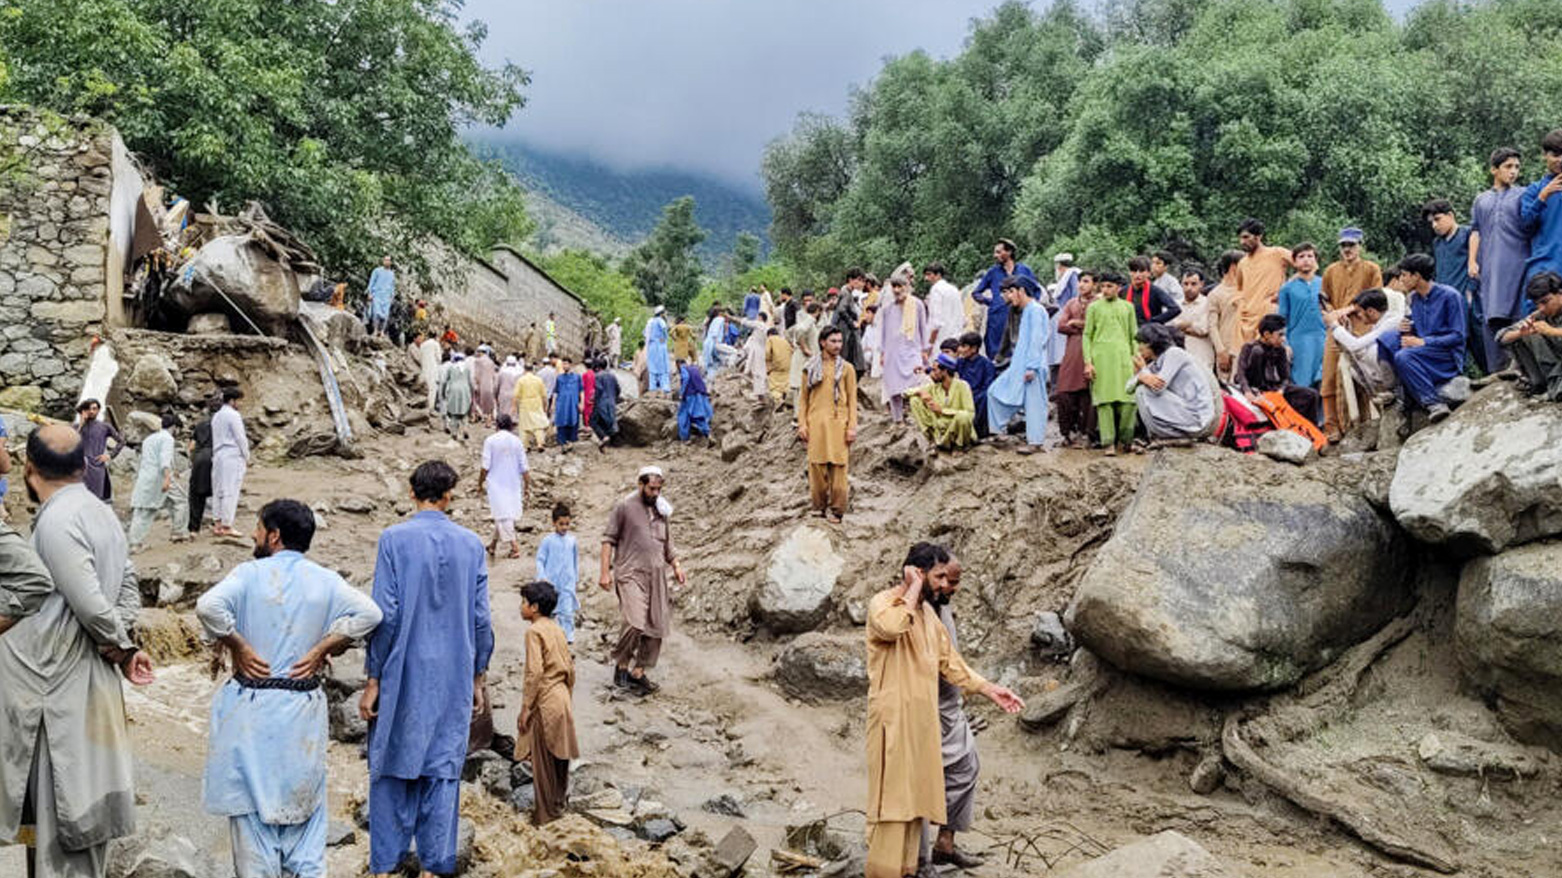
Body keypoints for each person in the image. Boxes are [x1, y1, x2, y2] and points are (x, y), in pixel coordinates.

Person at [197, 499, 382, 878]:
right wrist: (324, 646)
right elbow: (371, 614)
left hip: (253, 708)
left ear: (274, 536)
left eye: (258, 527)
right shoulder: (325, 579)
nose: (253, 533)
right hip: (302, 709)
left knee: (253, 820)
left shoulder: (249, 574)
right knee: (305, 824)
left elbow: (208, 606)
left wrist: (238, 644)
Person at [4, 424, 155, 878]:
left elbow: (87, 601)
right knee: (80, 821)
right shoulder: (101, 512)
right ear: (83, 465)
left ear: (29, 470)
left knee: (63, 824)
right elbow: (127, 587)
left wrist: (124, 649)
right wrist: (122, 637)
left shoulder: (55, 521)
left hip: (56, 693)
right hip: (87, 684)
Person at [361, 461, 493, 878]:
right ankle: (436, 867)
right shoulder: (471, 545)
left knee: (391, 763)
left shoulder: (393, 539)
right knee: (442, 769)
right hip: (454, 672)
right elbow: (481, 620)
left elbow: (386, 613)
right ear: (449, 494)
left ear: (411, 491)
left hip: (403, 669)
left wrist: (373, 679)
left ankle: (386, 867)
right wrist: (478, 677)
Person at [864, 543, 1022, 878]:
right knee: (893, 805)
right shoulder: (883, 604)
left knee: (915, 802)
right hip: (892, 725)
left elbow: (953, 665)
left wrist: (992, 690)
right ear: (916, 573)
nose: (943, 584)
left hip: (922, 726)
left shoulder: (928, 617)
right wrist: (914, 588)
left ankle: (911, 869)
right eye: (937, 577)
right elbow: (892, 628)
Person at [917, 555, 986, 872]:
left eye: (954, 581)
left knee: (967, 767)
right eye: (944, 579)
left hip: (950, 703)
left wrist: (963, 688)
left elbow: (950, 656)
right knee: (920, 783)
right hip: (923, 707)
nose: (950, 587)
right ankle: (918, 860)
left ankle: (945, 844)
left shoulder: (940, 604)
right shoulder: (913, 608)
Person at [599, 466, 686, 695]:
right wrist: (604, 572)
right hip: (630, 573)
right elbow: (608, 539)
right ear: (640, 485)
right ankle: (621, 664)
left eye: (659, 489)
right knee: (635, 621)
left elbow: (668, 545)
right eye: (651, 488)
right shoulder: (625, 507)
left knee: (656, 626)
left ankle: (638, 672)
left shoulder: (661, 510)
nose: (655, 493)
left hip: (656, 576)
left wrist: (676, 565)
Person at [517, 581, 579, 826]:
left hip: (545, 700)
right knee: (559, 759)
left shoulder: (533, 632)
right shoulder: (557, 628)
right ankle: (559, 808)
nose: (521, 607)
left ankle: (545, 819)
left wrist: (526, 708)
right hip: (562, 696)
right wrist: (567, 697)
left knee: (542, 763)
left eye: (523, 602)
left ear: (534, 607)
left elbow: (534, 673)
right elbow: (570, 668)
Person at [1381, 253, 1467, 423]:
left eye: (1404, 275)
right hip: (1424, 353)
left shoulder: (1450, 296)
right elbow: (1418, 329)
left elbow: (1458, 336)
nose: (1401, 279)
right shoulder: (1414, 299)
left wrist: (1423, 342)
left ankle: (1433, 403)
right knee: (1388, 339)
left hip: (1445, 356)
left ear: (1417, 276)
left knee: (1403, 356)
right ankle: (1401, 394)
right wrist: (1406, 328)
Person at [1320, 228, 1385, 438]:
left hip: (1362, 327)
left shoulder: (1371, 269)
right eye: (1344, 246)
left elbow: (1376, 297)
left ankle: (1365, 424)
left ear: (1359, 246)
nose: (1347, 249)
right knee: (1329, 377)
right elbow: (1324, 299)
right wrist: (1333, 313)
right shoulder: (1330, 271)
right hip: (1336, 328)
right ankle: (1332, 427)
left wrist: (1349, 309)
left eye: (1352, 245)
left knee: (1363, 376)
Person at [1471, 147, 1530, 371]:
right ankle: (1496, 369)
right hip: (1489, 266)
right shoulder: (1481, 200)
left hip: (1518, 262)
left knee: (1518, 311)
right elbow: (1475, 231)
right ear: (1494, 170)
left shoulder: (1524, 194)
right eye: (1508, 167)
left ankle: (1522, 365)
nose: (1513, 171)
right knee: (1490, 314)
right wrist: (1472, 261)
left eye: (1516, 167)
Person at [798, 326, 859, 523]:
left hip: (839, 423)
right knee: (816, 467)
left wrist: (852, 427)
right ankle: (818, 507)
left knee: (839, 468)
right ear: (823, 342)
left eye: (840, 341)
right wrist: (802, 424)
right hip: (815, 423)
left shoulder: (847, 369)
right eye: (833, 341)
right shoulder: (810, 368)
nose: (837, 345)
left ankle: (837, 510)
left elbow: (852, 400)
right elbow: (803, 400)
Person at [985, 277, 1052, 452]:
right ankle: (999, 431)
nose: (1008, 296)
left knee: (1035, 403)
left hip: (1032, 365)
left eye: (1011, 292)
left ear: (1021, 291)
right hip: (1019, 364)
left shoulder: (1036, 311)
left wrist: (1032, 366)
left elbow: (1037, 341)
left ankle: (1035, 442)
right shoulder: (1024, 311)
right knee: (995, 392)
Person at [1082, 272, 1139, 456]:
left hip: (1124, 359)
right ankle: (1108, 444)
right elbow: (1087, 335)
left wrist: (1136, 358)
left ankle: (1126, 441)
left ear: (1118, 288)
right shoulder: (1093, 308)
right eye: (1103, 286)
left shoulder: (1128, 307)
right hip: (1101, 359)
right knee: (1104, 403)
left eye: (1109, 286)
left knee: (1128, 401)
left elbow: (1134, 336)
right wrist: (1088, 362)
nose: (1105, 290)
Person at [1236, 314, 1325, 427]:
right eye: (1280, 335)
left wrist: (1281, 390)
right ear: (1267, 335)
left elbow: (1286, 377)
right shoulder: (1248, 347)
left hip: (1274, 388)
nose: (1283, 339)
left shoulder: (1280, 350)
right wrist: (1247, 391)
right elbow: (1241, 373)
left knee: (1311, 395)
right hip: (1254, 388)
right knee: (1258, 351)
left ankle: (1310, 430)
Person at [1132, 323, 1216, 441]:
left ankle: (1164, 435)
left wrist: (1143, 372)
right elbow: (1128, 388)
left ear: (1152, 343)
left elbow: (1158, 388)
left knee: (1143, 391)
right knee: (1140, 390)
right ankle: (1160, 435)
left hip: (1197, 417)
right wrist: (1141, 376)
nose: (1139, 348)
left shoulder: (1174, 353)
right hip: (1185, 413)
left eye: (1142, 343)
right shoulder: (1156, 363)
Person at [128, 411, 190, 551]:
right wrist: (168, 478)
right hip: (160, 478)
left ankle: (135, 542)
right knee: (177, 502)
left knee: (144, 508)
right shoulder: (167, 439)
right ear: (175, 427)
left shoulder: (150, 438)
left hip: (146, 476)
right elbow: (164, 460)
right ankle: (177, 533)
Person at [1324, 287, 1401, 400]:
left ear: (1371, 311)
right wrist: (1346, 329)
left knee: (1371, 351)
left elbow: (1355, 346)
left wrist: (1335, 326)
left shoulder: (1390, 323)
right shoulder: (1381, 322)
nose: (1358, 316)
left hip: (1395, 372)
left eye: (1359, 312)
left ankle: (1390, 390)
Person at [971, 239, 1040, 358]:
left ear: (1009, 252)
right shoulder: (993, 272)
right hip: (998, 318)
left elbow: (1036, 290)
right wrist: (992, 302)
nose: (995, 256)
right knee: (996, 352)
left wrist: (1028, 305)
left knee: (1020, 348)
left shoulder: (1024, 271)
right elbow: (976, 292)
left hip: (1020, 317)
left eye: (998, 252)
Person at [1499, 271, 1562, 400]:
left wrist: (1552, 331)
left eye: (1545, 302)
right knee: (1521, 337)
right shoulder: (1540, 315)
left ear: (1560, 294)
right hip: (1553, 369)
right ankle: (1542, 385)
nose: (1542, 308)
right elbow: (1502, 337)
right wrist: (1521, 332)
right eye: (1538, 304)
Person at [1053, 270, 1098, 447]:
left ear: (1095, 284)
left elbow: (1099, 326)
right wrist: (1081, 327)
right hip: (1071, 351)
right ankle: (1067, 433)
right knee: (1064, 391)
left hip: (1092, 351)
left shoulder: (1099, 303)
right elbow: (1061, 326)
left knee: (1087, 394)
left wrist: (1078, 324)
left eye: (1086, 281)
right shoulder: (1071, 303)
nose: (1081, 285)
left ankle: (1086, 434)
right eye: (1080, 281)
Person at [879, 276, 931, 424]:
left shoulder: (917, 305)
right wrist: (882, 352)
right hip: (892, 352)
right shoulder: (888, 308)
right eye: (894, 287)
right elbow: (883, 332)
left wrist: (924, 349)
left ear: (907, 286)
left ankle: (920, 419)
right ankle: (898, 420)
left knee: (917, 383)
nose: (897, 290)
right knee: (894, 386)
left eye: (900, 286)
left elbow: (923, 327)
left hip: (912, 350)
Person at [1234, 218, 1293, 343]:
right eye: (1240, 238)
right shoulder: (1242, 263)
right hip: (1246, 320)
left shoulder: (1277, 253)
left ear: (1258, 236)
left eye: (1246, 237)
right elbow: (1239, 290)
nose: (1242, 242)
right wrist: (1240, 306)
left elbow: (1304, 267)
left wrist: (1285, 289)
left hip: (1270, 316)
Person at [480, 415, 531, 560]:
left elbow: (485, 466)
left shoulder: (490, 441)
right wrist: (527, 485)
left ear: (497, 425)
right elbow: (524, 467)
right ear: (511, 426)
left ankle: (514, 547)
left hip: (496, 484)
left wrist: (480, 482)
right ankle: (493, 545)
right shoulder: (517, 441)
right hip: (513, 483)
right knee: (503, 513)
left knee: (503, 515)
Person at [1276, 243, 1325, 389]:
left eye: (1310, 256)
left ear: (1316, 260)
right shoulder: (1287, 288)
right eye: (1301, 256)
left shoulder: (1324, 284)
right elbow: (1282, 318)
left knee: (1324, 382)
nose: (1306, 260)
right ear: (1295, 261)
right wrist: (1285, 344)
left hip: (1323, 339)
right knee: (1302, 384)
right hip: (1298, 341)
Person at [909, 353, 977, 451]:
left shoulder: (963, 386)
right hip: (940, 428)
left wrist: (942, 411)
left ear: (944, 371)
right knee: (915, 400)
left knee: (964, 416)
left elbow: (970, 414)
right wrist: (921, 392)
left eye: (935, 370)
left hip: (956, 427)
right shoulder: (935, 387)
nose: (932, 373)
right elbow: (906, 393)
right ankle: (932, 440)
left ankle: (959, 446)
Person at [535, 502, 580, 642]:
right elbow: (540, 560)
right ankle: (549, 637)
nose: (564, 527)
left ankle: (567, 639)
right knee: (549, 611)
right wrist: (542, 577)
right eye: (561, 524)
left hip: (567, 583)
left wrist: (575, 579)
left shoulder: (572, 541)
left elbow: (575, 561)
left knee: (567, 612)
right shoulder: (547, 541)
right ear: (554, 523)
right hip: (551, 583)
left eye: (567, 524)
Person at [1522, 130, 1562, 285]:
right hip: (1544, 266)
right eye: (1555, 155)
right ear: (1545, 155)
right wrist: (1543, 197)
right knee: (1538, 308)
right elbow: (1526, 226)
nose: (1560, 160)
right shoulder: (1534, 190)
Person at [211, 387, 251, 537]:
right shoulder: (233, 415)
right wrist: (247, 456)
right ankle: (227, 525)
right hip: (231, 454)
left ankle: (218, 523)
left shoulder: (216, 416)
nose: (240, 404)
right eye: (239, 400)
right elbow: (240, 437)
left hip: (218, 454)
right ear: (232, 401)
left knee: (218, 489)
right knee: (230, 490)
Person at [1207, 249, 1245, 379]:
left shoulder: (1249, 290)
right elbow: (1212, 325)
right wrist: (1220, 351)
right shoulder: (1216, 294)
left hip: (1246, 348)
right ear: (1234, 267)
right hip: (1226, 349)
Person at [76, 398, 124, 501]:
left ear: (98, 410)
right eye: (89, 409)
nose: (92, 411)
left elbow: (121, 441)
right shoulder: (77, 427)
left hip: (97, 467)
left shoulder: (105, 426)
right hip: (80, 468)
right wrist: (81, 423)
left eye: (94, 409)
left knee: (96, 499)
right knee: (79, 498)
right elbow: (69, 441)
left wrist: (110, 455)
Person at [953, 332, 998, 442]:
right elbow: (945, 368)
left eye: (964, 346)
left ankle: (979, 433)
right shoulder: (961, 362)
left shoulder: (987, 364)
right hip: (964, 394)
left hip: (979, 395)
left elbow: (988, 386)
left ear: (974, 348)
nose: (961, 350)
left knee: (985, 398)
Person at [1170, 266, 1216, 372]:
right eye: (1185, 284)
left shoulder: (1208, 303)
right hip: (1180, 357)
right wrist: (1191, 324)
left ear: (1201, 284)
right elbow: (1171, 328)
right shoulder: (1175, 305)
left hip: (1202, 355)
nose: (1189, 288)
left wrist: (1181, 326)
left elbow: (1203, 329)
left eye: (1193, 284)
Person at [187, 395, 219, 533]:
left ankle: (194, 529)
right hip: (216, 457)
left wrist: (192, 461)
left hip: (200, 459)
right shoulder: (222, 424)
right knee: (219, 492)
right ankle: (218, 525)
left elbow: (191, 447)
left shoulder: (200, 425)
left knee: (196, 495)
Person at [1123, 255, 1182, 325]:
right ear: (1130, 272)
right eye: (1134, 271)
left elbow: (1175, 309)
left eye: (1141, 271)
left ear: (1148, 273)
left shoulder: (1155, 291)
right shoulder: (1123, 291)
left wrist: (1153, 321)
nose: (1137, 274)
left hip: (1150, 332)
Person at [924, 262, 965, 350]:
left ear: (938, 275)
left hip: (941, 340)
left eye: (929, 274)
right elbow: (962, 317)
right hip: (956, 338)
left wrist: (930, 344)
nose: (926, 278)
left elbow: (936, 321)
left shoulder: (936, 290)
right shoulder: (954, 289)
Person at [788, 301, 822, 408]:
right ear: (817, 312)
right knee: (800, 386)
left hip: (807, 358)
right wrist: (804, 348)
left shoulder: (805, 320)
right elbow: (800, 331)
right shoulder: (809, 320)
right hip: (803, 358)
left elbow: (788, 333)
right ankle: (798, 417)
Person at [834, 269, 868, 373]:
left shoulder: (848, 293)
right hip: (845, 331)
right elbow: (841, 310)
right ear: (851, 280)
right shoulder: (846, 293)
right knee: (850, 359)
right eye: (859, 280)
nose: (861, 283)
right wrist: (852, 323)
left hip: (847, 330)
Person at [513, 362, 551, 452]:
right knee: (538, 424)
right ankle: (540, 443)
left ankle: (525, 445)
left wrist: (514, 406)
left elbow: (515, 395)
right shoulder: (538, 380)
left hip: (525, 404)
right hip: (537, 404)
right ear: (533, 370)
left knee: (524, 425)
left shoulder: (521, 380)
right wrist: (545, 406)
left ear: (524, 370)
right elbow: (544, 395)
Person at [675, 360, 714, 444]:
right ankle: (707, 433)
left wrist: (681, 393)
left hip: (690, 395)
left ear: (678, 364)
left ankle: (686, 438)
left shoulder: (683, 369)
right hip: (700, 394)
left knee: (685, 416)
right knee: (698, 414)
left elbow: (686, 378)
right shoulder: (694, 369)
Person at [551, 356, 584, 450]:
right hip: (561, 405)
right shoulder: (559, 378)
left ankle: (570, 442)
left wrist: (582, 403)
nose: (564, 366)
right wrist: (553, 405)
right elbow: (556, 392)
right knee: (561, 422)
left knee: (573, 421)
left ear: (570, 365)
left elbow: (581, 391)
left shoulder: (577, 377)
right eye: (563, 364)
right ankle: (563, 443)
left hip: (573, 405)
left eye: (566, 364)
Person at [439, 350, 473, 438]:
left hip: (453, 390)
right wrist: (472, 393)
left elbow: (445, 381)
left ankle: (454, 432)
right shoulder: (467, 368)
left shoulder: (451, 368)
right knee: (464, 410)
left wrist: (443, 392)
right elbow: (470, 382)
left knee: (453, 412)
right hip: (465, 390)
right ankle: (465, 429)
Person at [590, 360, 621, 451]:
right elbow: (618, 389)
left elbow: (598, 390)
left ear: (597, 367)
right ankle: (611, 442)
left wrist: (593, 398)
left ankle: (604, 437)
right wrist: (614, 398)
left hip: (601, 403)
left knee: (593, 421)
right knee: (609, 421)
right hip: (611, 402)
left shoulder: (598, 376)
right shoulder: (612, 376)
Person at [644, 306, 672, 396]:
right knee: (662, 367)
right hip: (659, 345)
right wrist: (664, 338)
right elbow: (664, 329)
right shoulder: (660, 320)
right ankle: (665, 387)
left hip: (652, 346)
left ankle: (652, 387)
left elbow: (645, 333)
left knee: (652, 367)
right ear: (662, 313)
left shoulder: (650, 321)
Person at [367, 256, 396, 337]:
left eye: (388, 260)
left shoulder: (392, 274)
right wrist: (370, 293)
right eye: (385, 260)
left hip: (386, 296)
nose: (387, 262)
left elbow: (392, 286)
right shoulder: (377, 271)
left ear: (390, 262)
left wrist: (392, 296)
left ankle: (382, 331)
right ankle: (375, 330)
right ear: (383, 261)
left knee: (385, 315)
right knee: (376, 313)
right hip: (377, 294)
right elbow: (371, 282)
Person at [765, 326, 793, 405]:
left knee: (774, 387)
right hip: (787, 367)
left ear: (769, 334)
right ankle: (788, 399)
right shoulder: (785, 341)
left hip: (776, 367)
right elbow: (791, 351)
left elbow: (767, 353)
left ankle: (779, 401)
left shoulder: (770, 339)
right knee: (785, 384)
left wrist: (768, 363)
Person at [470, 346, 498, 424]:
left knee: (475, 401)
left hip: (480, 384)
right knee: (489, 403)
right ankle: (488, 420)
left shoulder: (477, 361)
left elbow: (476, 374)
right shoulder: (491, 362)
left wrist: (475, 383)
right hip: (489, 385)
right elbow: (493, 375)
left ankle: (475, 417)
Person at [417, 331, 443, 414]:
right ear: (435, 336)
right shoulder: (435, 344)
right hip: (433, 369)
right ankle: (430, 408)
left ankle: (423, 406)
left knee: (424, 388)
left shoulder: (423, 344)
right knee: (432, 389)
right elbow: (439, 358)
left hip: (424, 368)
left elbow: (420, 357)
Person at [702, 306, 730, 374]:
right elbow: (715, 333)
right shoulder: (720, 319)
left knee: (710, 363)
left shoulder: (714, 320)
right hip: (714, 343)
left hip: (708, 343)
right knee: (734, 352)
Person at [496, 355, 523, 421]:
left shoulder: (502, 371)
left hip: (503, 393)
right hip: (514, 394)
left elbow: (497, 384)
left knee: (504, 410)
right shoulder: (519, 373)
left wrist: (496, 394)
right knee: (513, 412)